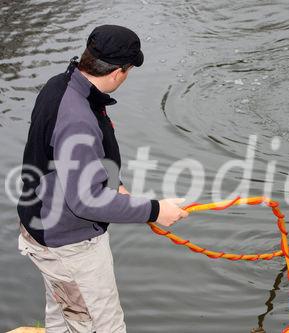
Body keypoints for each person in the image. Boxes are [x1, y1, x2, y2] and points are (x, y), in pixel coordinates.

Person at [17, 25, 188, 332]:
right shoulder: (78, 119)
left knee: (63, 318)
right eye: (130, 70)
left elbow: (60, 158)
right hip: (69, 247)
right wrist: (155, 210)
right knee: (102, 326)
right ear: (118, 72)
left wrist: (115, 185)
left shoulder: (62, 85)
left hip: (42, 229)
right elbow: (86, 201)